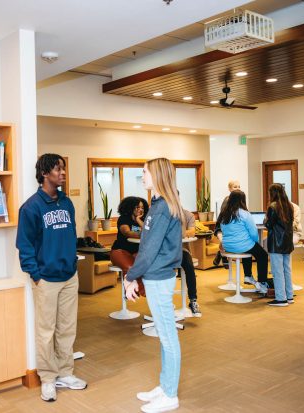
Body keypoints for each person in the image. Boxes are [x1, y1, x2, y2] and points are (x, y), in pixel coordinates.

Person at [16, 154, 87, 402]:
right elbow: (24, 246)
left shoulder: (67, 203)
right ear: (45, 173)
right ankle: (48, 378)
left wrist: (72, 265)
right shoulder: (31, 207)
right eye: (58, 169)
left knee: (67, 329)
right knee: (46, 331)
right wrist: (36, 275)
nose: (63, 173)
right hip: (45, 278)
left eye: (63, 169)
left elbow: (69, 237)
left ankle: (65, 372)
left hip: (69, 276)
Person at [124, 158, 183, 413]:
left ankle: (170, 394)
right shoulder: (160, 204)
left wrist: (129, 277)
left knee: (168, 337)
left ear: (157, 174)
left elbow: (148, 251)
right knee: (164, 335)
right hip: (158, 276)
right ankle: (164, 385)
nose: (143, 175)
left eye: (145, 171)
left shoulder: (161, 209)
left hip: (159, 277)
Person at [216, 190, 270, 294]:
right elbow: (254, 233)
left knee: (247, 248)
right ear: (242, 200)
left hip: (227, 245)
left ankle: (248, 275)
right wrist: (255, 242)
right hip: (242, 245)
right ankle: (262, 282)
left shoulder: (223, 214)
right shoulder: (245, 214)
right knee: (262, 255)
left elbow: (222, 230)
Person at [110, 196, 149, 296]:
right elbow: (126, 232)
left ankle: (139, 291)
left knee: (146, 267)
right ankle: (144, 293)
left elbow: (150, 231)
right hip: (120, 251)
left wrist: (139, 220)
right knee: (131, 267)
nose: (140, 210)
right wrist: (143, 234)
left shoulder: (143, 220)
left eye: (142, 208)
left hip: (136, 252)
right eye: (137, 207)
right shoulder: (124, 219)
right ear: (130, 207)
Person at [264, 183, 295, 306]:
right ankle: (289, 296)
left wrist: (265, 220)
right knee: (287, 270)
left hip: (276, 243)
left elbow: (269, 225)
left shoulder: (273, 206)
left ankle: (281, 298)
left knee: (277, 271)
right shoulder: (289, 206)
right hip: (287, 242)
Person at [213, 180, 240, 267]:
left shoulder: (240, 200)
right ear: (229, 189)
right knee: (224, 240)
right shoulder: (227, 199)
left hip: (232, 225)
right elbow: (224, 215)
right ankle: (222, 255)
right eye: (235, 187)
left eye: (239, 186)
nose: (238, 188)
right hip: (223, 224)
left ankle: (221, 254)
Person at [181, 208, 201, 317]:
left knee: (189, 265)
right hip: (164, 251)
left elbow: (192, 232)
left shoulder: (187, 215)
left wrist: (173, 233)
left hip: (181, 250)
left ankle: (193, 301)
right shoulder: (161, 213)